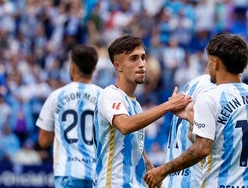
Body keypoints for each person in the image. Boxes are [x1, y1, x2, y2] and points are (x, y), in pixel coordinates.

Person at [144, 32, 248, 188]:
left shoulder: (210, 96)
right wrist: (192, 119)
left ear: (215, 63)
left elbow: (202, 148)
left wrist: (162, 170)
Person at [93, 34, 192, 188]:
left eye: (143, 58)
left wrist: (158, 180)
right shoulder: (110, 94)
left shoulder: (135, 105)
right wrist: (168, 106)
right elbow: (124, 125)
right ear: (117, 66)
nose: (141, 64)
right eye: (133, 59)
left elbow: (139, 150)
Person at [36, 44, 102, 188]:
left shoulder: (56, 96)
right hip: (97, 176)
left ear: (72, 67)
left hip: (67, 173)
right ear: (94, 69)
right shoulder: (103, 97)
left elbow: (43, 141)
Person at [162, 73, 216, 187]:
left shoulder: (190, 84)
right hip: (194, 181)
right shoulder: (210, 89)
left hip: (172, 181)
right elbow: (196, 138)